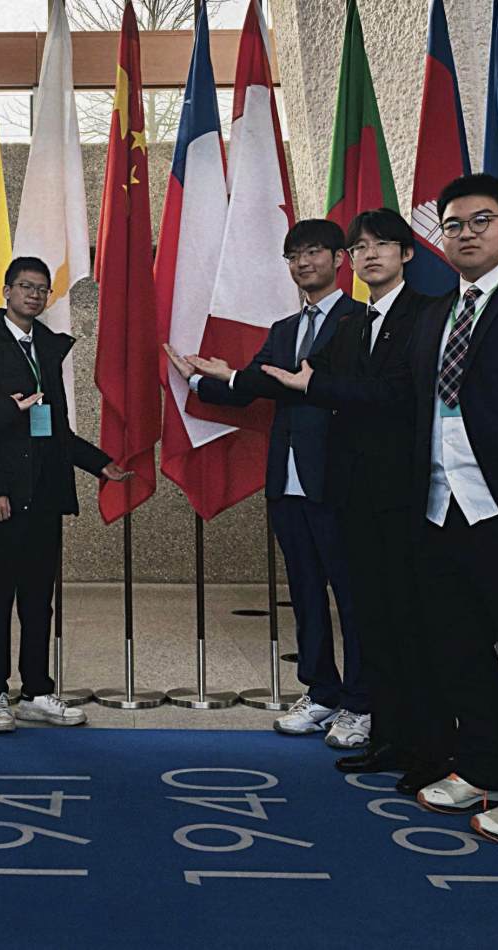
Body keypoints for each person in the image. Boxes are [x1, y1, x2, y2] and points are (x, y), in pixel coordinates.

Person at [263, 174, 498, 845]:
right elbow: (405, 402)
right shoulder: (435, 313)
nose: (467, 233)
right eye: (453, 224)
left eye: (482, 220)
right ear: (439, 238)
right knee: (458, 651)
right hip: (436, 512)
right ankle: (484, 766)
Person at [252, 209, 454, 795]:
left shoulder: (419, 315)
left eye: (380, 245)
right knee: (332, 600)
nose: (369, 255)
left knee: (384, 612)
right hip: (334, 486)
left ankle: (378, 714)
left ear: (407, 252)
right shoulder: (345, 324)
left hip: (389, 493)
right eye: (362, 246)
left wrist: (313, 384)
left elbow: (391, 393)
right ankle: (356, 712)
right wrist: (218, 379)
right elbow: (274, 377)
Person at [165, 219, 371, 749]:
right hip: (287, 481)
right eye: (294, 255)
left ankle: (362, 702)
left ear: (339, 259)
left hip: (341, 482)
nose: (303, 263)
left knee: (354, 597)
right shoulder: (284, 329)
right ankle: (321, 694)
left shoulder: (362, 320)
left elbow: (339, 389)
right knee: (304, 591)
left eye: (313, 252)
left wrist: (235, 376)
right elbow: (252, 386)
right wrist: (200, 379)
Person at [0, 256, 131, 733]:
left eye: (41, 289)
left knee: (39, 600)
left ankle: (36, 691)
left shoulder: (47, 348)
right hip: (4, 498)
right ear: (6, 291)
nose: (33, 295)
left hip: (45, 494)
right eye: (25, 287)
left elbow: (56, 429)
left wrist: (100, 463)